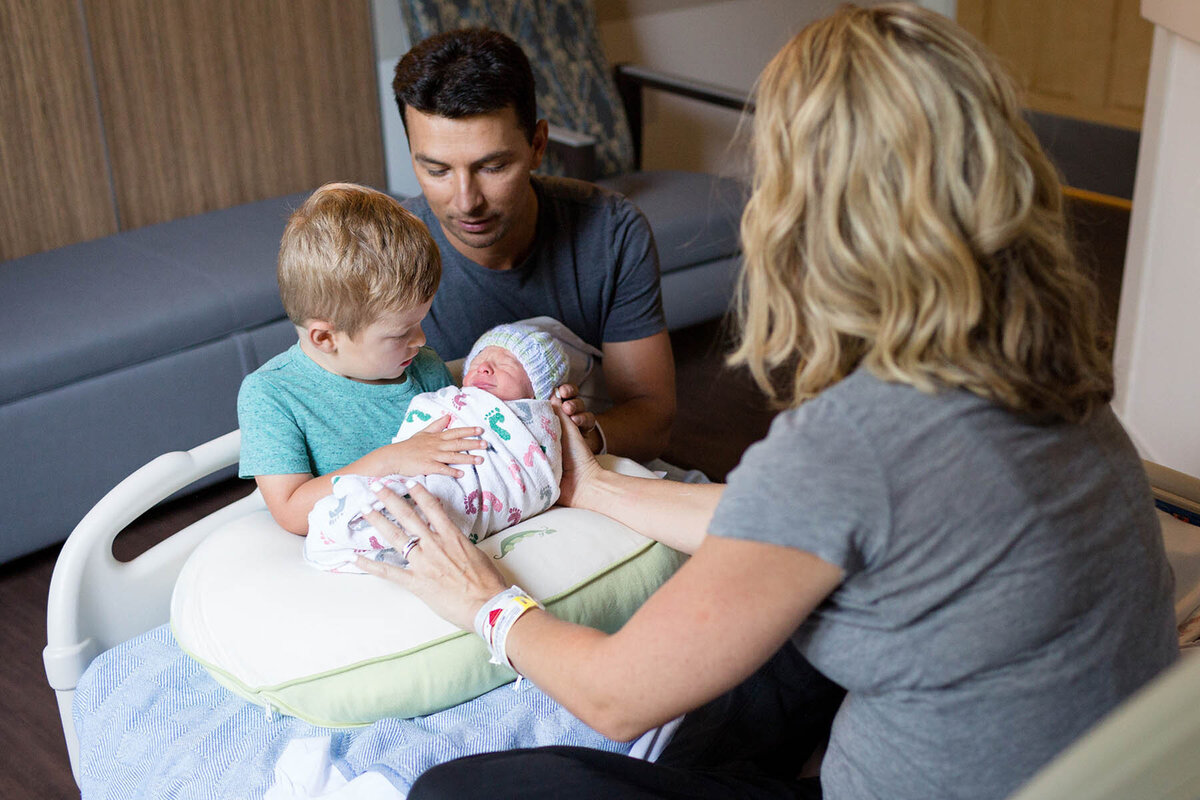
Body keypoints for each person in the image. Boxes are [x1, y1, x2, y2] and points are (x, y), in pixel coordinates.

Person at [356, 5, 1178, 800]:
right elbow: (784, 525)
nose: (465, 195)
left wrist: (482, 599)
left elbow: (613, 696)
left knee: (455, 789)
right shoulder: (1051, 375)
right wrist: (594, 485)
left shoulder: (852, 441)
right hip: (1115, 767)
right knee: (756, 652)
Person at [391, 28, 676, 462]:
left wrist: (578, 434)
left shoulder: (611, 231)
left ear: (537, 145)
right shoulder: (388, 253)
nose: (466, 201)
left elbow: (652, 419)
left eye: (493, 166)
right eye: (437, 170)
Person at [237, 182, 485, 536]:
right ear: (325, 338)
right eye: (401, 333)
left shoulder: (424, 366)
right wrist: (390, 459)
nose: (421, 340)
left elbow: (465, 448)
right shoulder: (271, 395)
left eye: (420, 322)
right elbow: (291, 510)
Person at [306, 321, 570, 572]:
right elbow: (415, 435)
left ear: (537, 390)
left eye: (506, 364)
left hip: (460, 490)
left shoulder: (535, 422)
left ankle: (400, 519)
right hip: (413, 470)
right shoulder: (449, 400)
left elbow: (536, 473)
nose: (485, 368)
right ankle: (379, 509)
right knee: (367, 499)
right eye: (477, 362)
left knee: (429, 504)